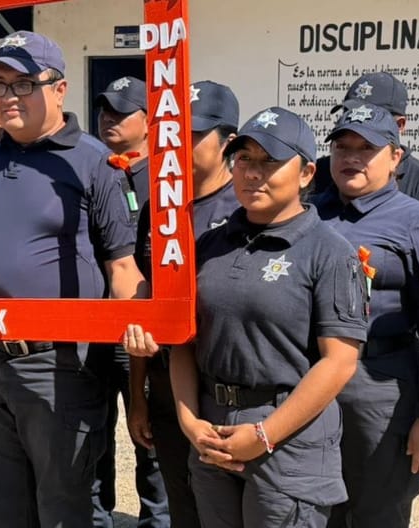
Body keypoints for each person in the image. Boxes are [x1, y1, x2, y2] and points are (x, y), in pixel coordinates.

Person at [0, 31, 145, 527]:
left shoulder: (95, 164)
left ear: (59, 89)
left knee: (64, 510)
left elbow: (122, 266)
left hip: (59, 367)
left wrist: (140, 327)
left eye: (23, 84)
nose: (6, 97)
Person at [126, 106, 368, 528]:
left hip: (286, 443)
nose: (253, 173)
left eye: (270, 161)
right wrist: (188, 420)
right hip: (211, 433)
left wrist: (263, 435)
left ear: (307, 173)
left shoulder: (329, 252)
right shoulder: (208, 246)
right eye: (244, 159)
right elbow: (185, 341)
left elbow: (339, 362)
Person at [314, 102, 419, 528]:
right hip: (310, 384)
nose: (352, 158)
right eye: (342, 147)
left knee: (378, 512)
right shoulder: (308, 215)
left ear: (396, 157)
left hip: (379, 388)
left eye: (367, 148)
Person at [127, 79, 242, 528]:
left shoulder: (249, 209)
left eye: (192, 134)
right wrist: (138, 396)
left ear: (228, 142)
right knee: (183, 507)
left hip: (226, 396)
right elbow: (145, 305)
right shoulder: (158, 209)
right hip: (167, 391)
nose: (175, 145)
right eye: (169, 134)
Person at [91, 74, 170, 528]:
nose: (109, 118)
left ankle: (155, 521)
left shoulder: (164, 180)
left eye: (122, 111)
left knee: (150, 438)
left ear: (149, 121)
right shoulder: (92, 170)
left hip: (143, 331)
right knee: (92, 437)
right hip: (94, 328)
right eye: (105, 109)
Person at [313, 72, 419, 217]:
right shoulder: (317, 173)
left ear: (400, 125)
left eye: (372, 116)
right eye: (350, 113)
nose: (357, 121)